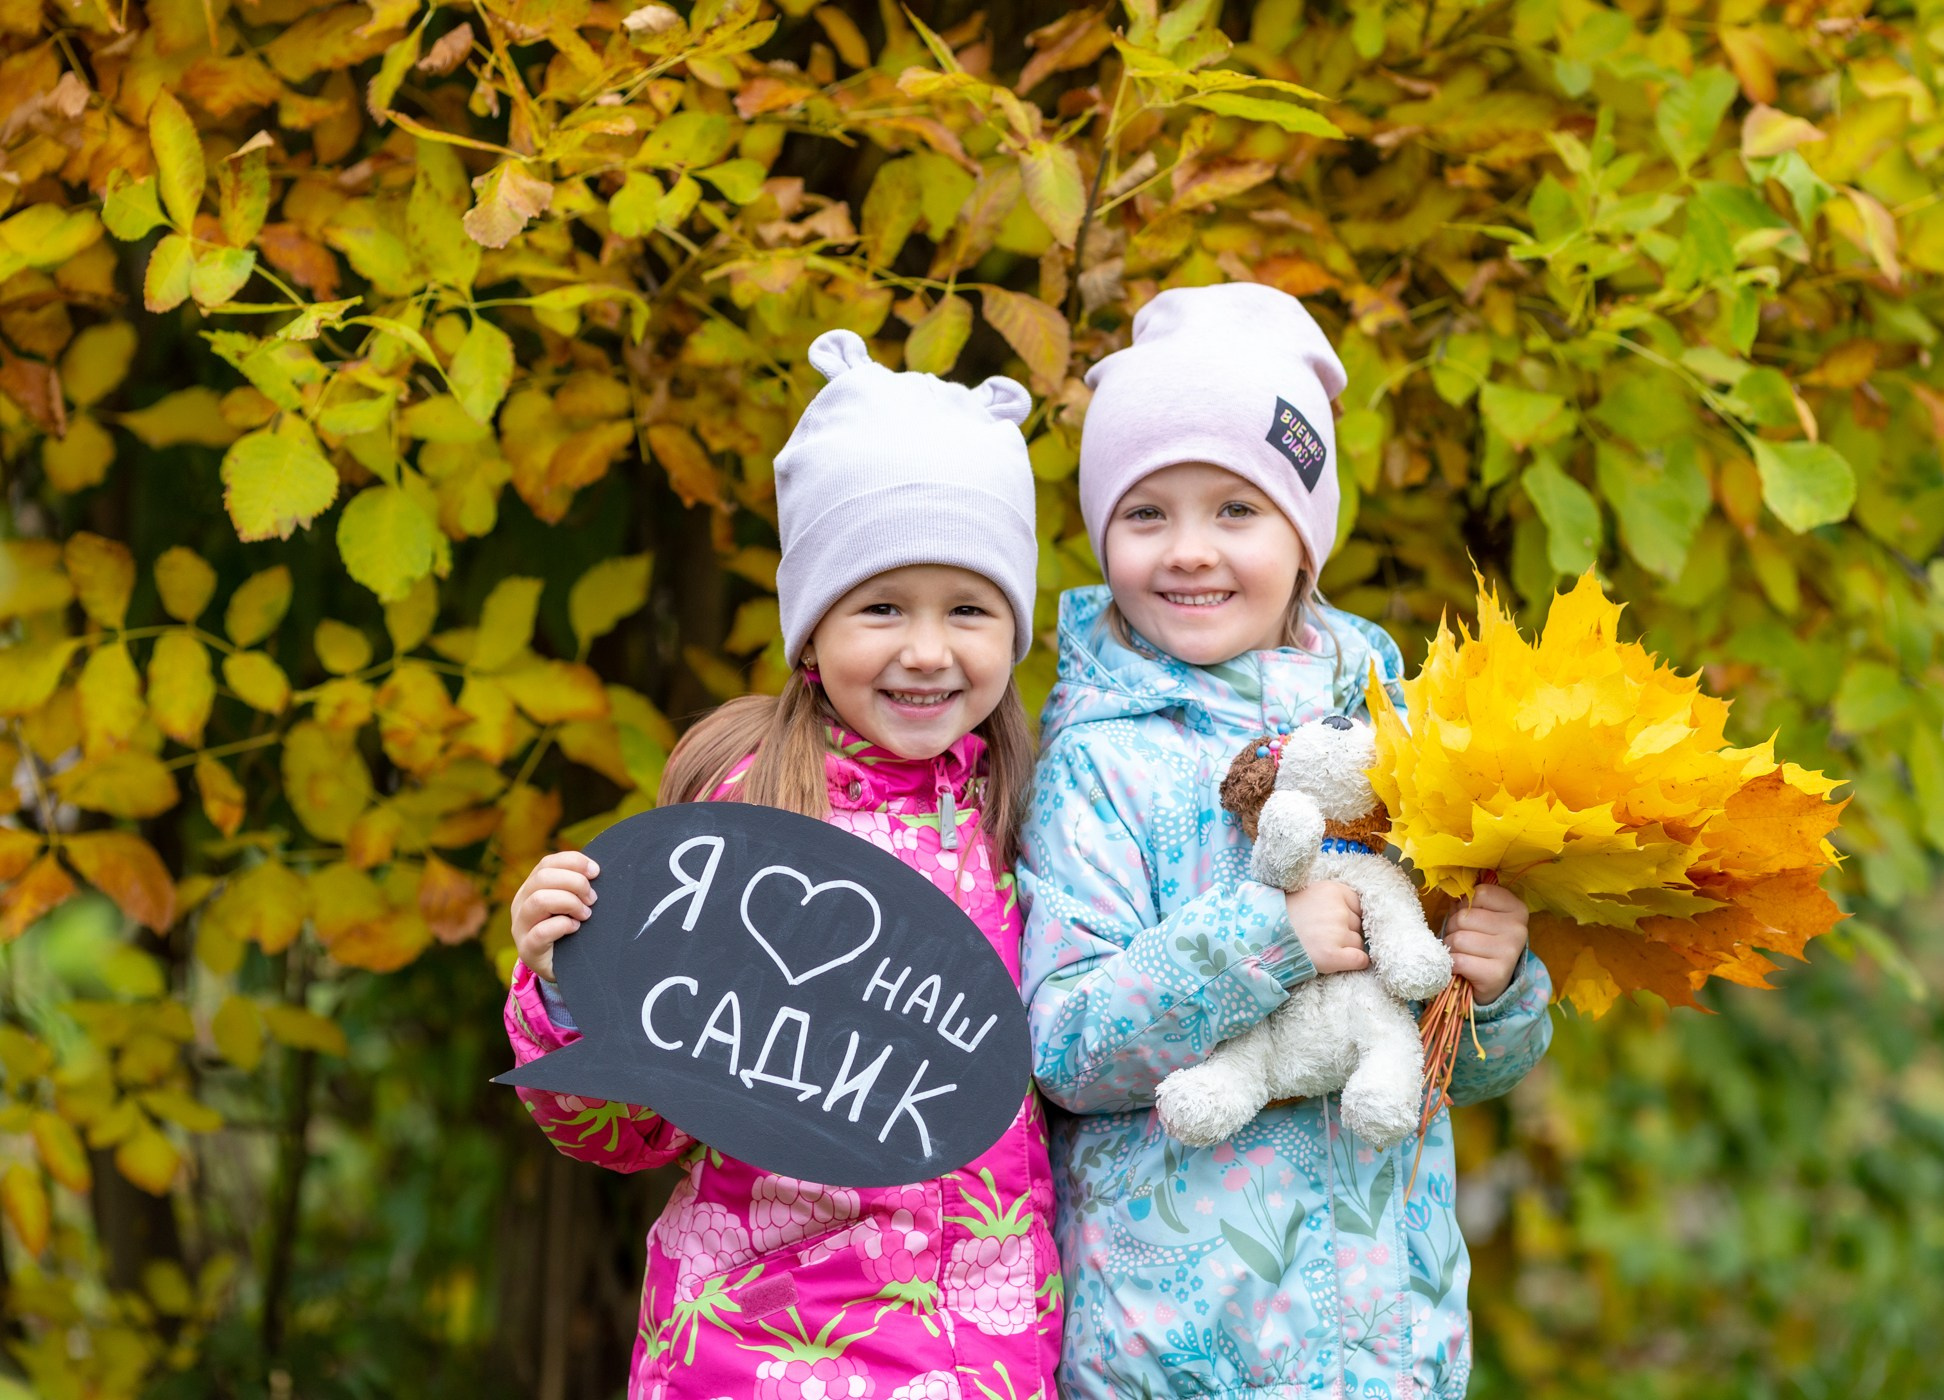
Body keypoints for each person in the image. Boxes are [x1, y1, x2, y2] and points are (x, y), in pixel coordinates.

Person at [505, 330, 1061, 1400]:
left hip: (984, 1354)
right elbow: (626, 1124)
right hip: (748, 1348)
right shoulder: (741, 820)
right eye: (883, 605)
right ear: (812, 624)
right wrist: (566, 992)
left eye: (970, 608)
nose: (928, 649)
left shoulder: (1032, 823)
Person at [1020, 283, 1553, 1398]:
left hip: (1384, 1348)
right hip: (1173, 1349)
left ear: (1306, 537)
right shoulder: (1099, 759)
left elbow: (1462, 1067)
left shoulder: (1402, 738)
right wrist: (1274, 936)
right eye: (1146, 512)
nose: (1189, 551)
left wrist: (1494, 987)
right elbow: (1065, 1044)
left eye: (1237, 510)